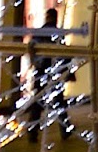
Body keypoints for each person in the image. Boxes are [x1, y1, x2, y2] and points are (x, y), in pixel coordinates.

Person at [26, 7, 72, 143]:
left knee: (38, 103)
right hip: (55, 71)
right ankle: (65, 129)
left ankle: (32, 132)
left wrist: (36, 64)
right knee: (59, 102)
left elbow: (31, 49)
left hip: (41, 71)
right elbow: (64, 53)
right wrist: (66, 70)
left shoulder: (38, 33)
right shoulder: (58, 34)